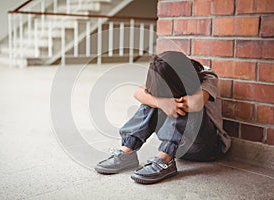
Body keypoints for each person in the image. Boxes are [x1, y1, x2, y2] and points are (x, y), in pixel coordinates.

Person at [95, 51, 231, 184]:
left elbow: (195, 103)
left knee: (183, 104)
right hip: (181, 147)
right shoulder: (165, 75)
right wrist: (160, 102)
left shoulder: (207, 76)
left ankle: (165, 159)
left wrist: (170, 102)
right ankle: (128, 151)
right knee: (152, 98)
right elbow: (138, 92)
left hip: (207, 148)